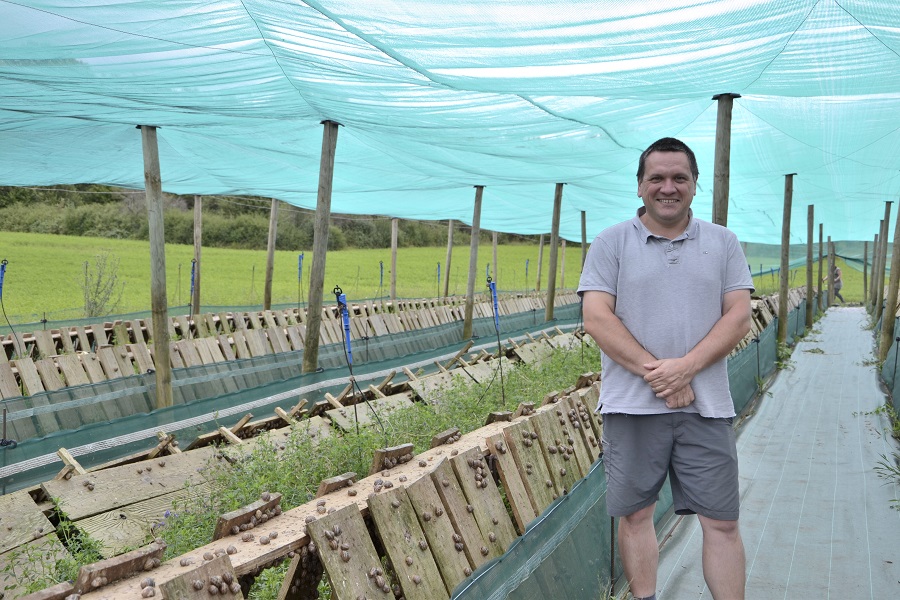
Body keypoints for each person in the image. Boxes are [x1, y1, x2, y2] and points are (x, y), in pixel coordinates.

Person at [578, 137, 754, 600]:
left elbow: (738, 315)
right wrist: (661, 376)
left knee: (722, 520)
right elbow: (596, 317)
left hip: (707, 406)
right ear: (640, 186)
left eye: (679, 177)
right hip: (633, 407)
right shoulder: (610, 243)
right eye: (656, 178)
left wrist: (686, 369)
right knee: (636, 515)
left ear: (695, 185)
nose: (668, 187)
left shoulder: (723, 243)